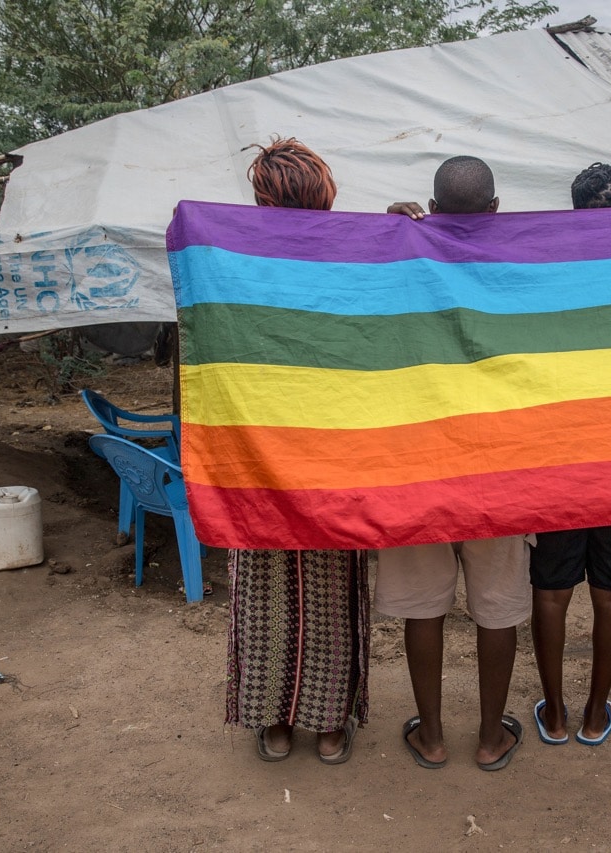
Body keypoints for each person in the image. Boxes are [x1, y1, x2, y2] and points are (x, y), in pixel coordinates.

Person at [377, 155, 531, 771]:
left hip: (419, 465)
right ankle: (492, 738)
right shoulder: (518, 263)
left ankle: (433, 737)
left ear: (431, 208)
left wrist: (387, 228)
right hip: (501, 466)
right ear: (495, 210)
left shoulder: (404, 256)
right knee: (497, 605)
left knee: (423, 606)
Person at [224, 137, 369, 765]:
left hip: (260, 450)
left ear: (260, 198)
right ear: (327, 196)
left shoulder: (234, 258)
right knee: (334, 591)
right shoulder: (354, 257)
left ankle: (275, 722)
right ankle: (330, 724)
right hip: (334, 449)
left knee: (264, 590)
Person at [530, 163, 611, 747]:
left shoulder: (548, 271)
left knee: (551, 593)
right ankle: (594, 713)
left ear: (574, 208)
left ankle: (553, 714)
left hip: (558, 459)